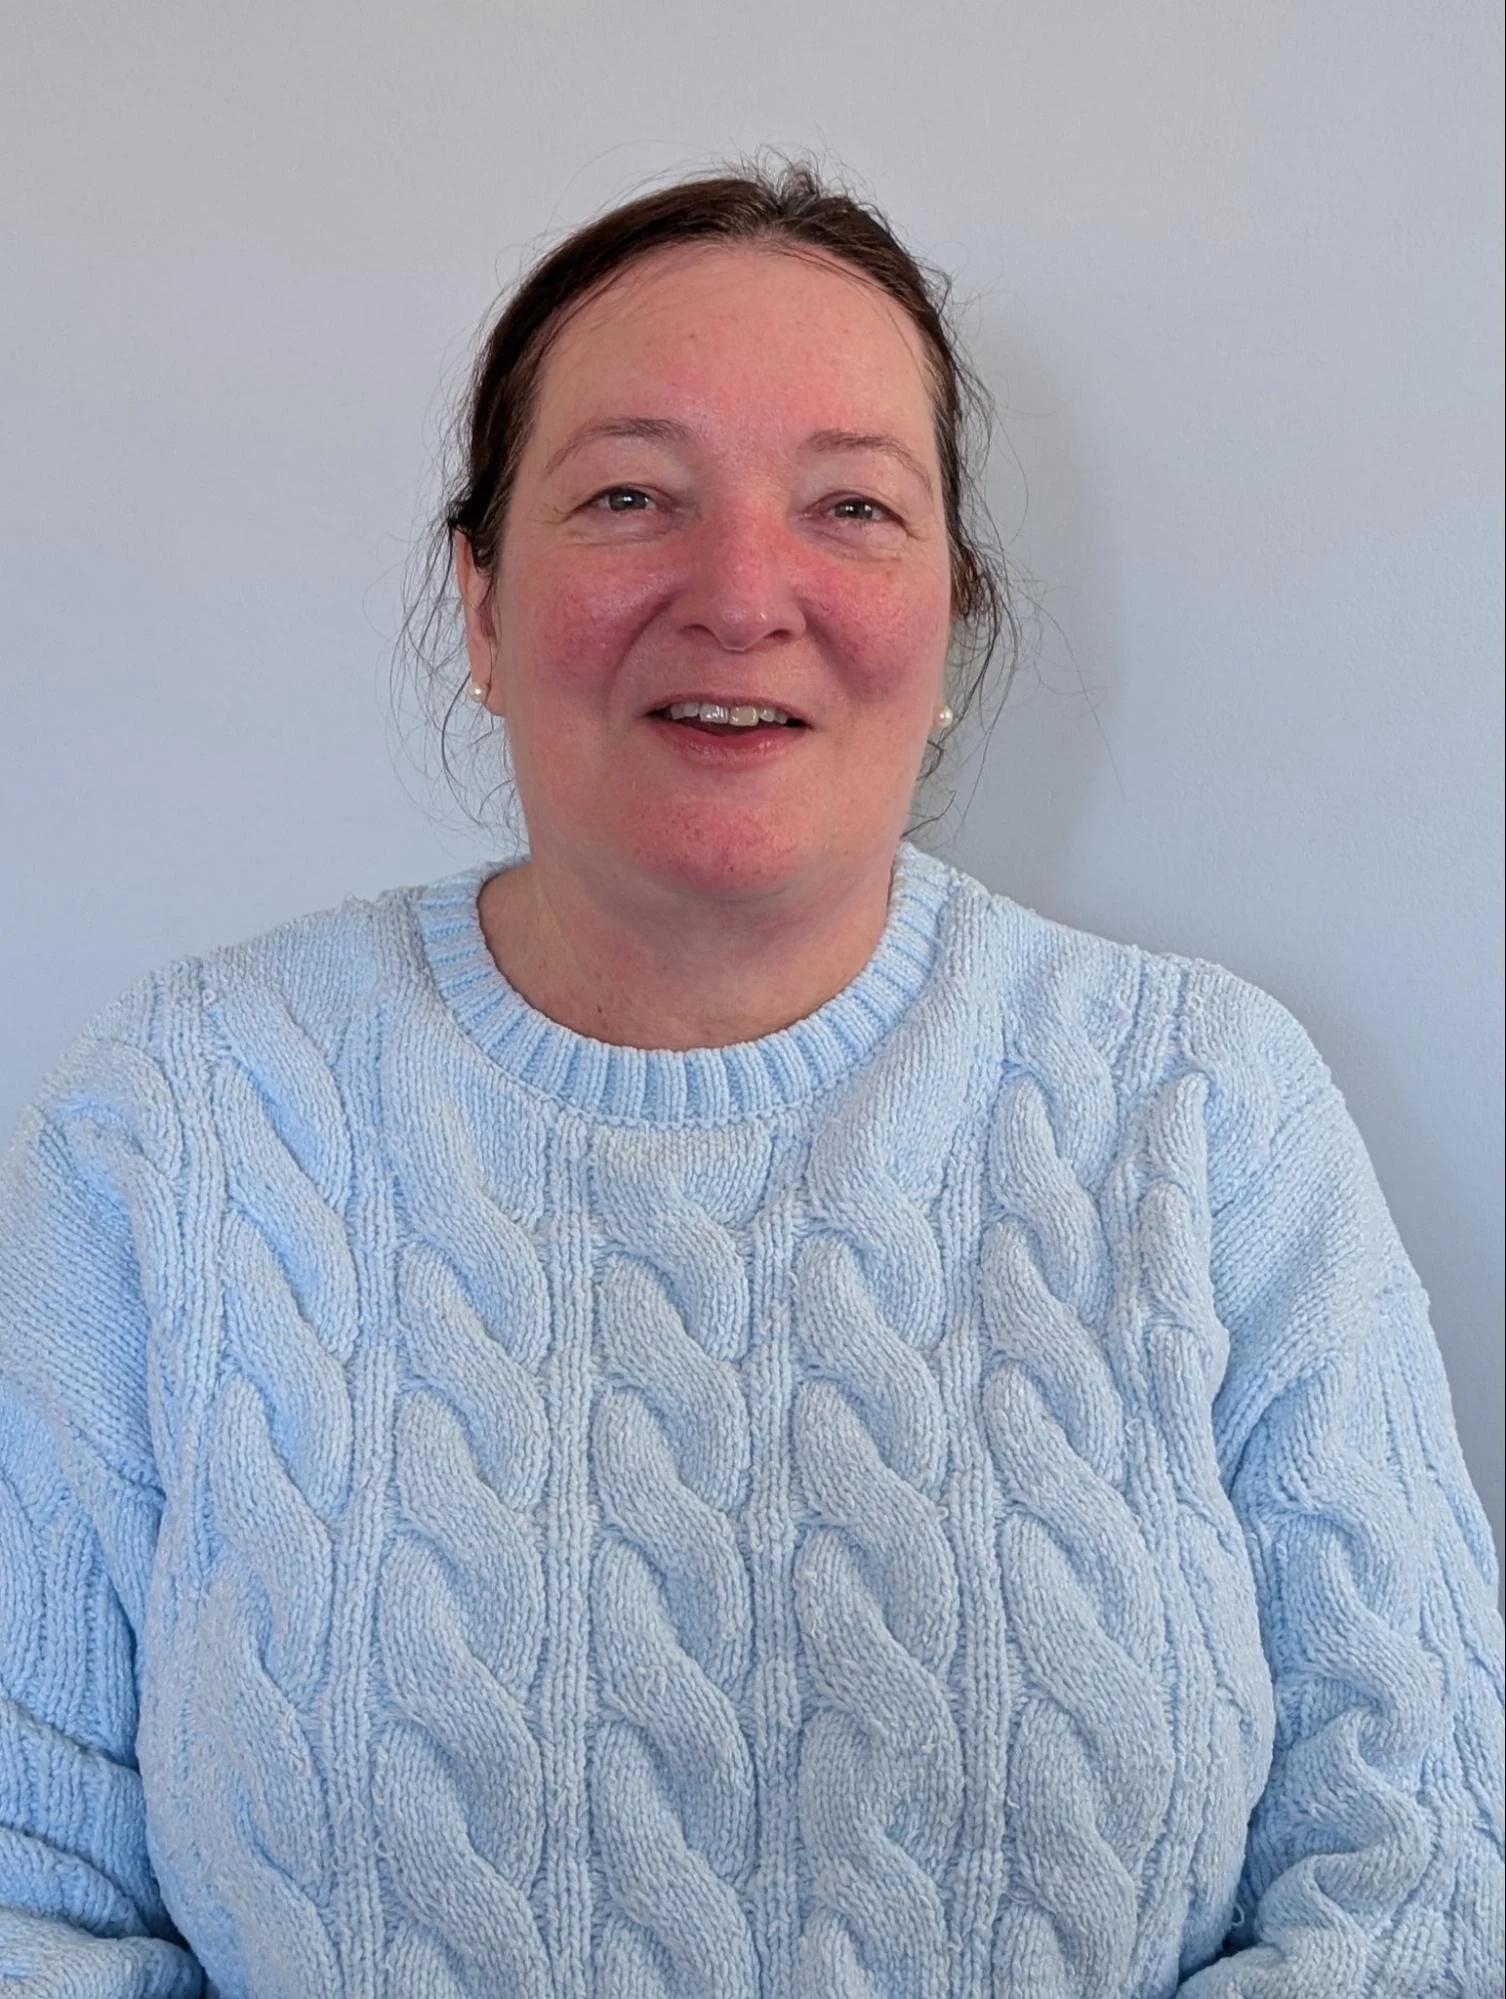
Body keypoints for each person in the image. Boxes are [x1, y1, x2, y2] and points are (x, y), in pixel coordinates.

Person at [0, 160, 1501, 1999]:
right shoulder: (183, 1121)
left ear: (950, 617)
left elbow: (1429, 1881)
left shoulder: (1207, 1109)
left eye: (851, 507)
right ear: (479, 601)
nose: (740, 593)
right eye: (629, 495)